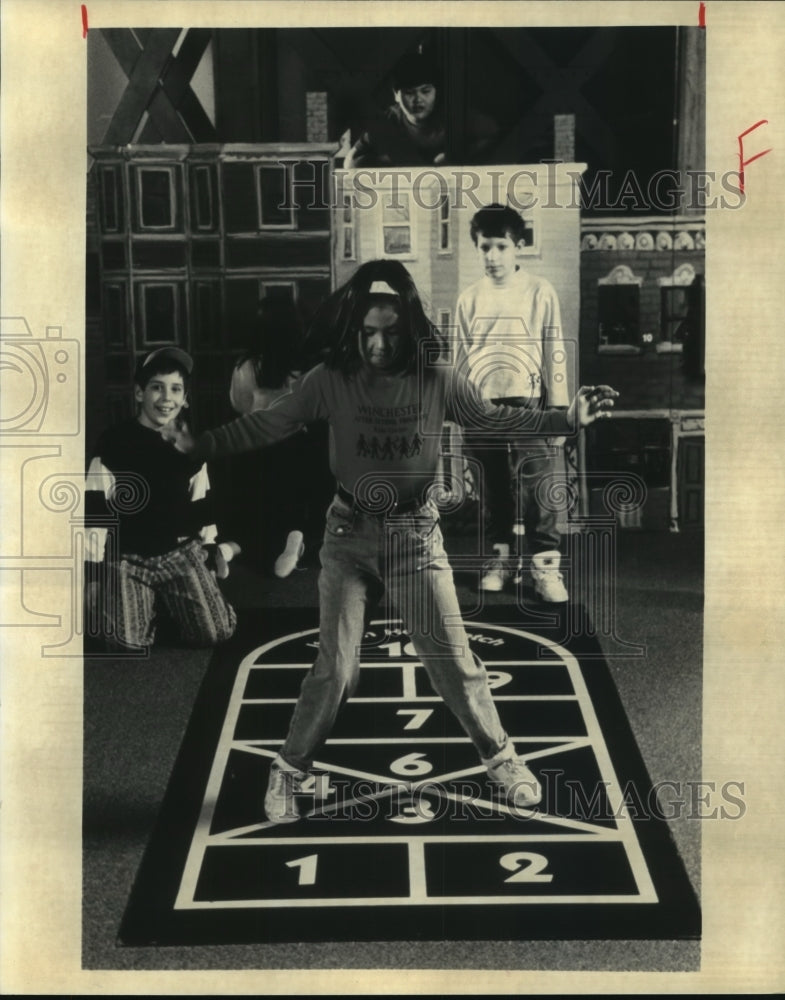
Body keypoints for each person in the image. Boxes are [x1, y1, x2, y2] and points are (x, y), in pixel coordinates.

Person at [162, 261, 617, 824]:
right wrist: (200, 443)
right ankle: (289, 769)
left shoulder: (437, 379)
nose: (377, 344)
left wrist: (565, 419)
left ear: (410, 331)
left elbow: (494, 419)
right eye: (368, 332)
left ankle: (501, 758)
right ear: (355, 330)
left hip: (415, 535)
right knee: (336, 669)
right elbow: (266, 422)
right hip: (349, 535)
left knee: (453, 659)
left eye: (390, 333)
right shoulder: (330, 378)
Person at [84, 347, 238, 651]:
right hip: (127, 557)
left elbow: (201, 503)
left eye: (175, 389)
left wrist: (207, 554)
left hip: (178, 552)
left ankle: (171, 603)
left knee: (216, 632)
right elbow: (96, 511)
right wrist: (93, 575)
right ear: (140, 393)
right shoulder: (114, 442)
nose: (167, 398)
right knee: (122, 639)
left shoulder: (190, 446)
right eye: (157, 387)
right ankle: (147, 606)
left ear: (185, 399)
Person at [455, 203, 571, 601]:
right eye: (485, 247)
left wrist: (558, 412)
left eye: (501, 246)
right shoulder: (469, 298)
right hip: (481, 406)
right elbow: (461, 358)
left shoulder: (539, 291)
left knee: (539, 488)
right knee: (492, 491)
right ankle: (500, 562)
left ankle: (545, 569)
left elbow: (554, 349)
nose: (492, 256)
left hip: (528, 403)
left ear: (518, 246)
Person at [226, 297, 325, 578]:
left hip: (258, 444)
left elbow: (239, 404)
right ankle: (296, 536)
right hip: (300, 443)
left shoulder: (247, 366)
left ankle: (256, 546)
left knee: (262, 501)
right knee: (296, 496)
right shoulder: (308, 366)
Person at [344, 50, 497, 168]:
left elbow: (494, 135)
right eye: (409, 93)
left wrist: (458, 157)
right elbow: (349, 163)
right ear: (396, 95)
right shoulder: (389, 121)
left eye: (425, 91)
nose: (418, 99)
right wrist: (389, 161)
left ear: (436, 92)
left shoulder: (453, 115)